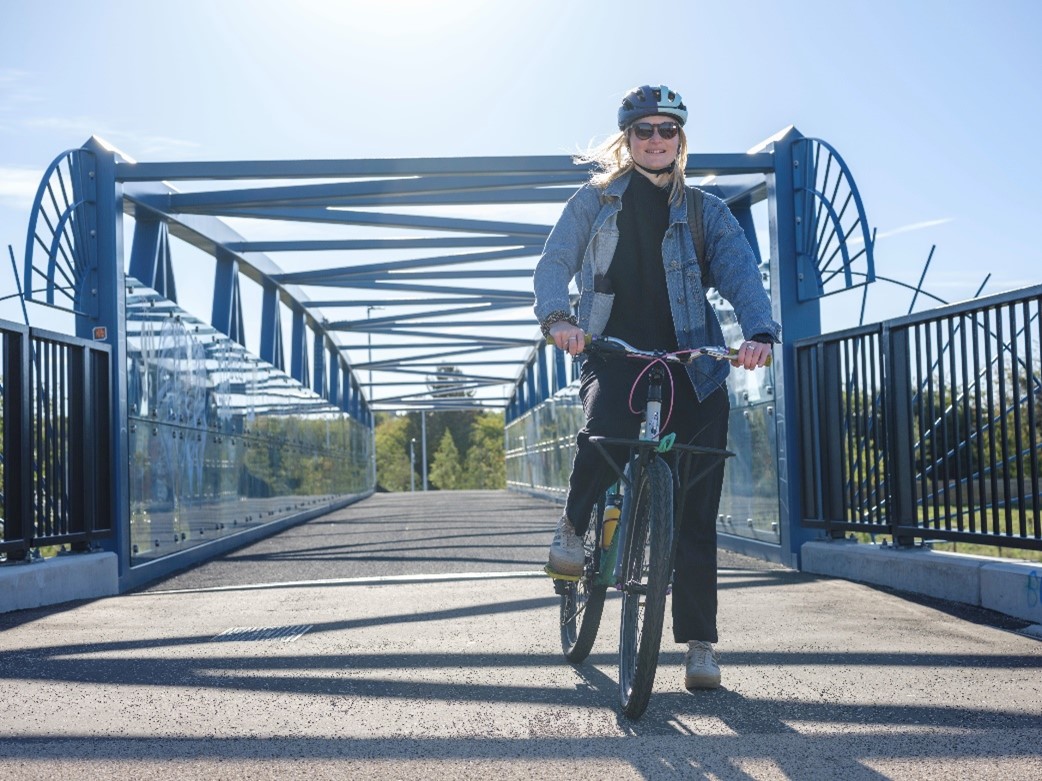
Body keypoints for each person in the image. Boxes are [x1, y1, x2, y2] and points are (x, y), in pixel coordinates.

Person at [532, 84, 780, 691]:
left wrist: (759, 331)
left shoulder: (707, 212)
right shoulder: (593, 202)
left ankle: (699, 645)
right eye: (643, 130)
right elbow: (553, 263)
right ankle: (573, 526)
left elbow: (741, 272)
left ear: (680, 140)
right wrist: (558, 320)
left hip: (690, 361)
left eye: (666, 130)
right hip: (614, 352)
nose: (655, 139)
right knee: (606, 430)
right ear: (626, 139)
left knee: (696, 509)